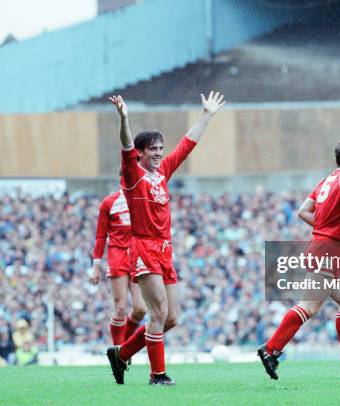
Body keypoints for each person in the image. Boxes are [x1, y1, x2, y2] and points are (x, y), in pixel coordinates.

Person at [106, 91, 226, 385]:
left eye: (160, 148)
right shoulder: (133, 175)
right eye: (153, 149)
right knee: (157, 312)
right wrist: (124, 118)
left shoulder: (162, 174)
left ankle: (121, 355)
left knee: (171, 318)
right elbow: (125, 144)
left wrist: (206, 115)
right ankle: (157, 375)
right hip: (144, 247)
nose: (159, 153)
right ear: (140, 153)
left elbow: (187, 145)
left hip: (164, 250)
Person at [258, 139, 340, 379]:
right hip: (327, 250)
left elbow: (303, 211)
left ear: (336, 160)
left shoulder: (327, 180)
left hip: (324, 248)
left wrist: (325, 228)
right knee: (310, 306)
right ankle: (271, 350)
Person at [90, 188, 146, 346]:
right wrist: (95, 266)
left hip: (138, 256)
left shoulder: (143, 199)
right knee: (120, 308)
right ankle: (118, 350)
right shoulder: (109, 202)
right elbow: (101, 236)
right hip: (118, 257)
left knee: (141, 309)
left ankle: (124, 344)